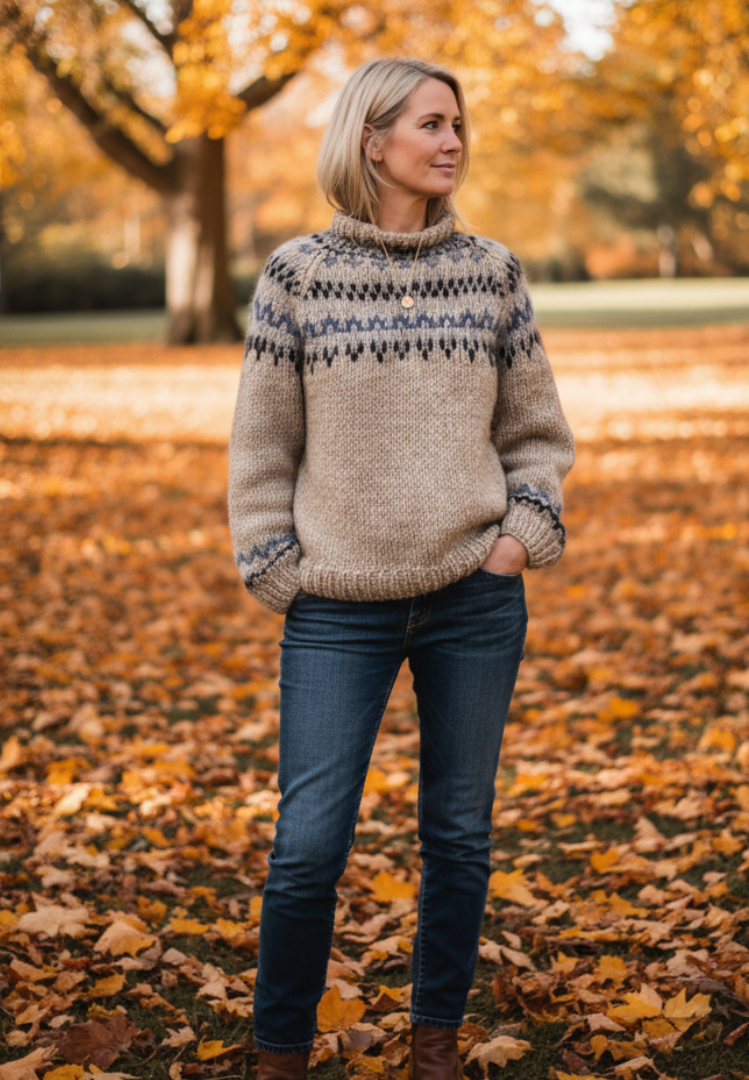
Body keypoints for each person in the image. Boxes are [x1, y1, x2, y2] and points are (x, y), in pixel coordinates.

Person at [227, 56, 576, 1080]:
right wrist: (275, 566)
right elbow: (261, 444)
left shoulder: (493, 272)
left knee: (458, 838)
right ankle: (280, 1055)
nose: (453, 141)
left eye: (457, 124)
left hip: (475, 599)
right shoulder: (297, 277)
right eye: (431, 123)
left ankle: (434, 1046)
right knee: (307, 849)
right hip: (338, 609)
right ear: (372, 141)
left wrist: (520, 537)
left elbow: (537, 433)